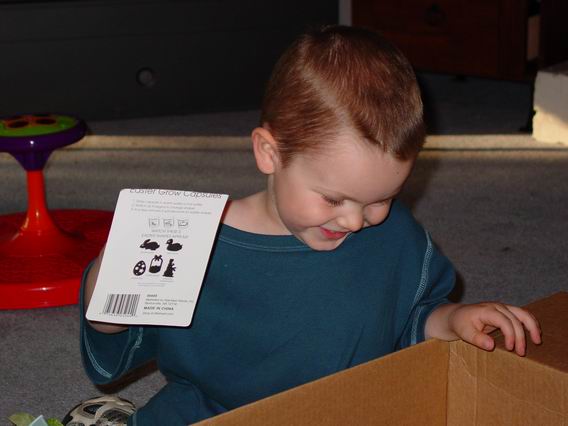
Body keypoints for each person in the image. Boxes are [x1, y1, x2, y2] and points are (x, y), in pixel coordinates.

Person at [78, 25, 541, 425]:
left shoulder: (394, 236)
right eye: (334, 198)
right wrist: (110, 281)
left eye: (382, 198)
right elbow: (114, 334)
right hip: (212, 413)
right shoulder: (194, 242)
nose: (356, 220)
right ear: (270, 153)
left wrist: (453, 319)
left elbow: (411, 320)